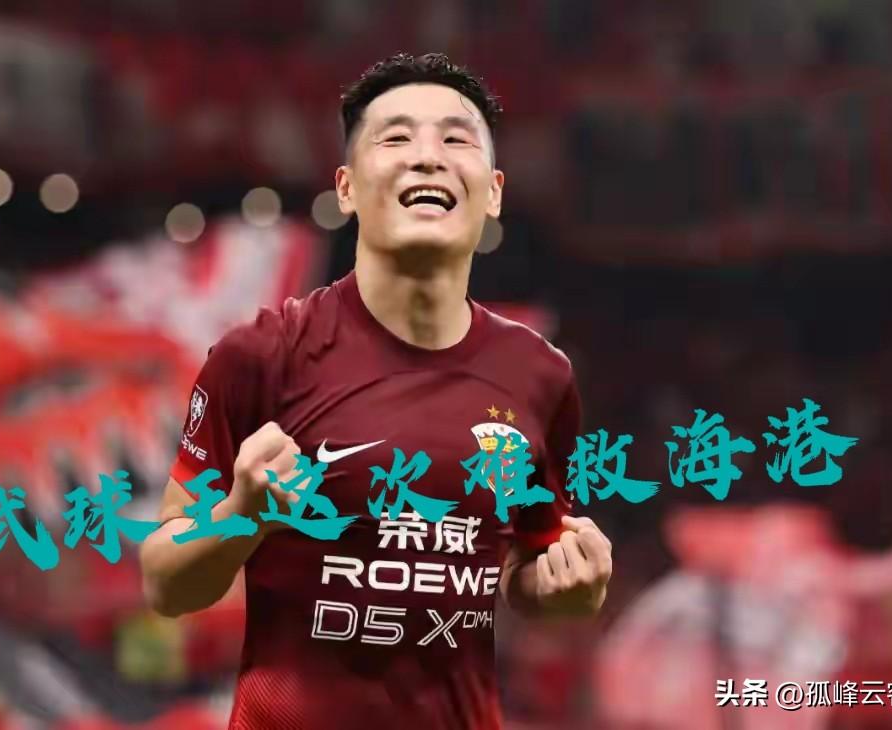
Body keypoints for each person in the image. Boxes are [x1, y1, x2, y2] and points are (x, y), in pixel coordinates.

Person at [139, 52, 612, 730]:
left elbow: (523, 572)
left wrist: (566, 588)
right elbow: (165, 583)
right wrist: (245, 513)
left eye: (455, 139)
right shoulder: (260, 357)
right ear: (347, 188)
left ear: (494, 192)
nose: (427, 157)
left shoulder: (540, 375)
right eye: (396, 138)